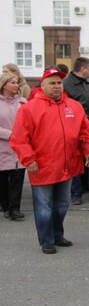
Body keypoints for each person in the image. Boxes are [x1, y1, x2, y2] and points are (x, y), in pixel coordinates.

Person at [10, 67, 89, 254]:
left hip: (67, 165)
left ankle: (58, 234)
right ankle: (46, 240)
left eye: (59, 83)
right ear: (42, 86)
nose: (57, 86)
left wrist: (88, 150)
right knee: (44, 206)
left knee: (62, 205)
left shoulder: (74, 106)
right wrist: (29, 159)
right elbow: (19, 139)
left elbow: (84, 132)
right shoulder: (30, 109)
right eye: (52, 83)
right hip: (42, 166)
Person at [63, 58, 89, 205]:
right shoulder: (67, 84)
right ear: (83, 69)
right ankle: (75, 192)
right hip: (74, 126)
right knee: (76, 160)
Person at [0, 73, 26, 220]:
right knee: (3, 180)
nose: (16, 85)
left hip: (19, 147)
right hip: (3, 146)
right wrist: (10, 134)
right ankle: (5, 205)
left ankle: (15, 208)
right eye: (12, 83)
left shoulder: (23, 101)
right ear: (4, 85)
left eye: (17, 83)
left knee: (17, 179)